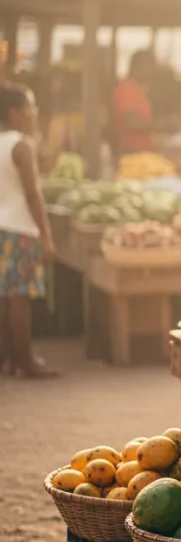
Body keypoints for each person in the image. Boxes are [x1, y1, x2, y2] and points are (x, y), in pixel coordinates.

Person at [0, 83, 58, 378]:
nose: (33, 113)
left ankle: (11, 360)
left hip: (2, 226)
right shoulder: (21, 146)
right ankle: (26, 363)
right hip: (20, 228)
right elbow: (33, 194)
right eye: (30, 108)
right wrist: (46, 235)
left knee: (6, 298)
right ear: (15, 113)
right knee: (20, 298)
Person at [111, 50, 179, 155]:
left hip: (143, 152)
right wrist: (164, 124)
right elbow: (132, 124)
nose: (153, 74)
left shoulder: (137, 89)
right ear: (142, 67)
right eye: (152, 69)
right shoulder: (127, 89)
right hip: (132, 152)